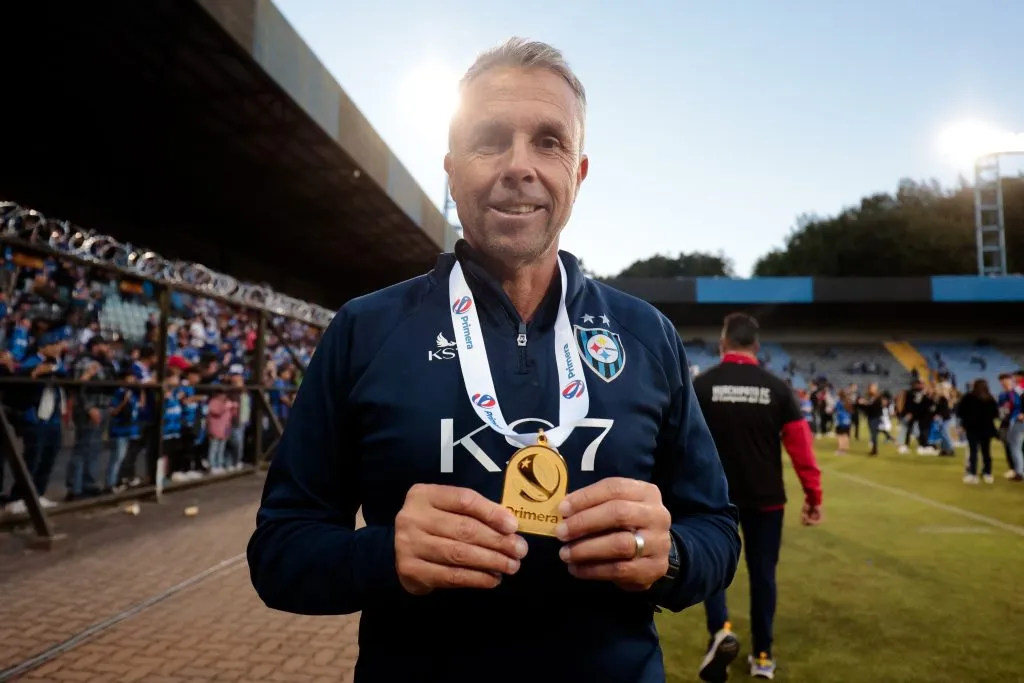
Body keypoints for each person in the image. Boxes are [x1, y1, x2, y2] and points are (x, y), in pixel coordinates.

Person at [247, 37, 741, 683]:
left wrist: (672, 554)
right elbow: (279, 551)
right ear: (450, 169)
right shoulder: (364, 331)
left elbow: (719, 531)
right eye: (489, 139)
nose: (519, 166)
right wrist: (384, 553)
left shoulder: (647, 335)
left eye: (548, 141)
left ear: (579, 173)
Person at [691, 313, 823, 682]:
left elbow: (683, 442)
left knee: (715, 569)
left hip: (715, 498)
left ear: (723, 345)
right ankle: (762, 655)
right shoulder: (777, 388)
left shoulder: (702, 386)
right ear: (757, 347)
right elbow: (801, 450)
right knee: (763, 574)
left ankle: (720, 630)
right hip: (766, 499)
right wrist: (813, 496)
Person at [956, 379, 999, 484]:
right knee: (986, 452)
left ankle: (973, 474)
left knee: (973, 452)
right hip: (986, 429)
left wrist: (964, 425)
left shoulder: (968, 397)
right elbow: (995, 414)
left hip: (972, 429)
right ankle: (987, 473)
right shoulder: (990, 398)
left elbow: (960, 412)